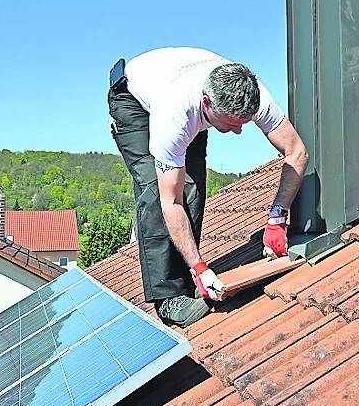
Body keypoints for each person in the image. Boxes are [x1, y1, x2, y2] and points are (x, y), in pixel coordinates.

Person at [107, 47, 308, 327]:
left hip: (184, 91)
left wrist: (277, 218)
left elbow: (296, 152)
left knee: (194, 188)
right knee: (155, 188)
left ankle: (190, 281)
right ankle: (169, 298)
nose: (238, 132)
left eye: (244, 124)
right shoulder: (174, 117)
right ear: (206, 104)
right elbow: (171, 201)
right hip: (133, 100)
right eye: (231, 125)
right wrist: (200, 266)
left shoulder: (252, 93)